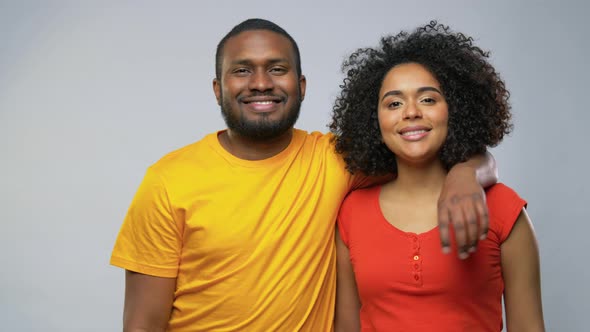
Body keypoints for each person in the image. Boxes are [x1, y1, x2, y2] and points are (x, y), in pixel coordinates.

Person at [110, 19, 497, 331]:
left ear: (301, 86)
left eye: (277, 69)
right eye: (242, 70)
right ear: (217, 88)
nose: (261, 83)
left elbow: (421, 144)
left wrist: (466, 175)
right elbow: (142, 323)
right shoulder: (168, 180)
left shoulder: (335, 159)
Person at [331, 21, 545, 332]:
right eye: (394, 103)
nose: (411, 112)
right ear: (374, 119)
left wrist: (467, 172)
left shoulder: (504, 210)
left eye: (428, 99)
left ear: (455, 109)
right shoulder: (351, 213)